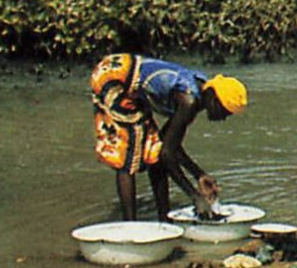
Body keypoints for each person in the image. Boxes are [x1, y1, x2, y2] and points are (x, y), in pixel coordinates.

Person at [88, 53, 248, 221]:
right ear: (215, 99)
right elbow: (169, 153)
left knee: (154, 152)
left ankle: (164, 221)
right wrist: (195, 197)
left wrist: (199, 175)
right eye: (224, 112)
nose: (223, 118)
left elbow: (168, 143)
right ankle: (130, 226)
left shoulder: (199, 95)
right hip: (114, 78)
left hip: (130, 80)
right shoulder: (189, 101)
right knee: (128, 153)